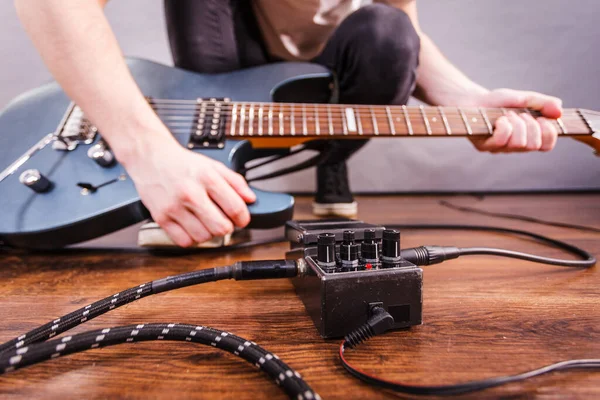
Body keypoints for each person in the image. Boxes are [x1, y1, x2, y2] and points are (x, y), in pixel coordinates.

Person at [15, 0, 563, 247]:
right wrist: (147, 150)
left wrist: (469, 100)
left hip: (332, 72)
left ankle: (331, 162)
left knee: (390, 31)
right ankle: (200, 173)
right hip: (233, 49)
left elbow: (407, 35)